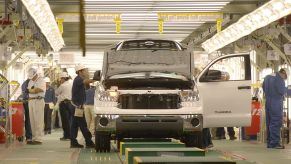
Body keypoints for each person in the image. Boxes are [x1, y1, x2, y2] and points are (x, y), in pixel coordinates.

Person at [70, 64, 95, 148]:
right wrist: (94, 79)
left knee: (74, 125)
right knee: (83, 124)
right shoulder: (78, 79)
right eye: (84, 70)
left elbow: (87, 87)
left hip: (77, 106)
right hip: (77, 107)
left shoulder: (80, 79)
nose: (85, 72)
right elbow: (86, 82)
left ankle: (73, 142)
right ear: (80, 71)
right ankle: (88, 141)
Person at [262, 68, 287, 149]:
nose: (284, 79)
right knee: (275, 122)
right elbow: (281, 91)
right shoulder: (279, 79)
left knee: (269, 122)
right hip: (276, 102)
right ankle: (275, 143)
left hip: (268, 102)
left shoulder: (267, 77)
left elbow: (263, 87)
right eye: (285, 77)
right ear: (284, 73)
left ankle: (269, 142)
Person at [27, 68, 46, 145]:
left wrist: (32, 90)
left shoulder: (41, 80)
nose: (32, 78)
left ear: (36, 74)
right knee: (32, 120)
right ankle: (34, 137)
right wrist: (33, 90)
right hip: (31, 101)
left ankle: (39, 138)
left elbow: (39, 90)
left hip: (38, 100)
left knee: (38, 120)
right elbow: (30, 90)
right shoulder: (30, 81)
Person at [55, 72, 72, 141]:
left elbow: (56, 93)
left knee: (65, 121)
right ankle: (71, 135)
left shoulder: (62, 86)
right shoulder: (71, 84)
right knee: (70, 120)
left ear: (64, 78)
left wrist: (59, 85)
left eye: (61, 78)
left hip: (64, 104)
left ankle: (66, 136)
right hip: (71, 103)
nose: (60, 80)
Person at [21, 78, 32, 144]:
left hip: (26, 102)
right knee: (29, 119)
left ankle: (29, 136)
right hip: (29, 102)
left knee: (28, 119)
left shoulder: (24, 83)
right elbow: (26, 93)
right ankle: (29, 136)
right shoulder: (29, 82)